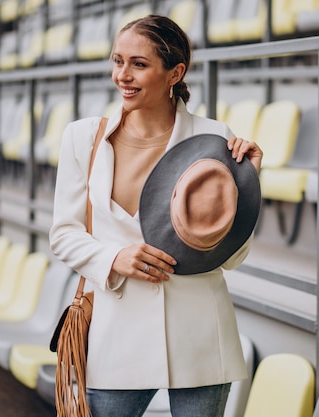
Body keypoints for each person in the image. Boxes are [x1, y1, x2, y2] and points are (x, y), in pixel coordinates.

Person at [49, 14, 263, 417]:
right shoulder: (82, 137)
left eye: (139, 64)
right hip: (117, 334)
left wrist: (248, 184)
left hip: (200, 334)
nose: (122, 75)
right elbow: (63, 233)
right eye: (117, 61)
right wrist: (113, 258)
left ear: (174, 73)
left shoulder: (216, 138)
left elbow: (233, 257)